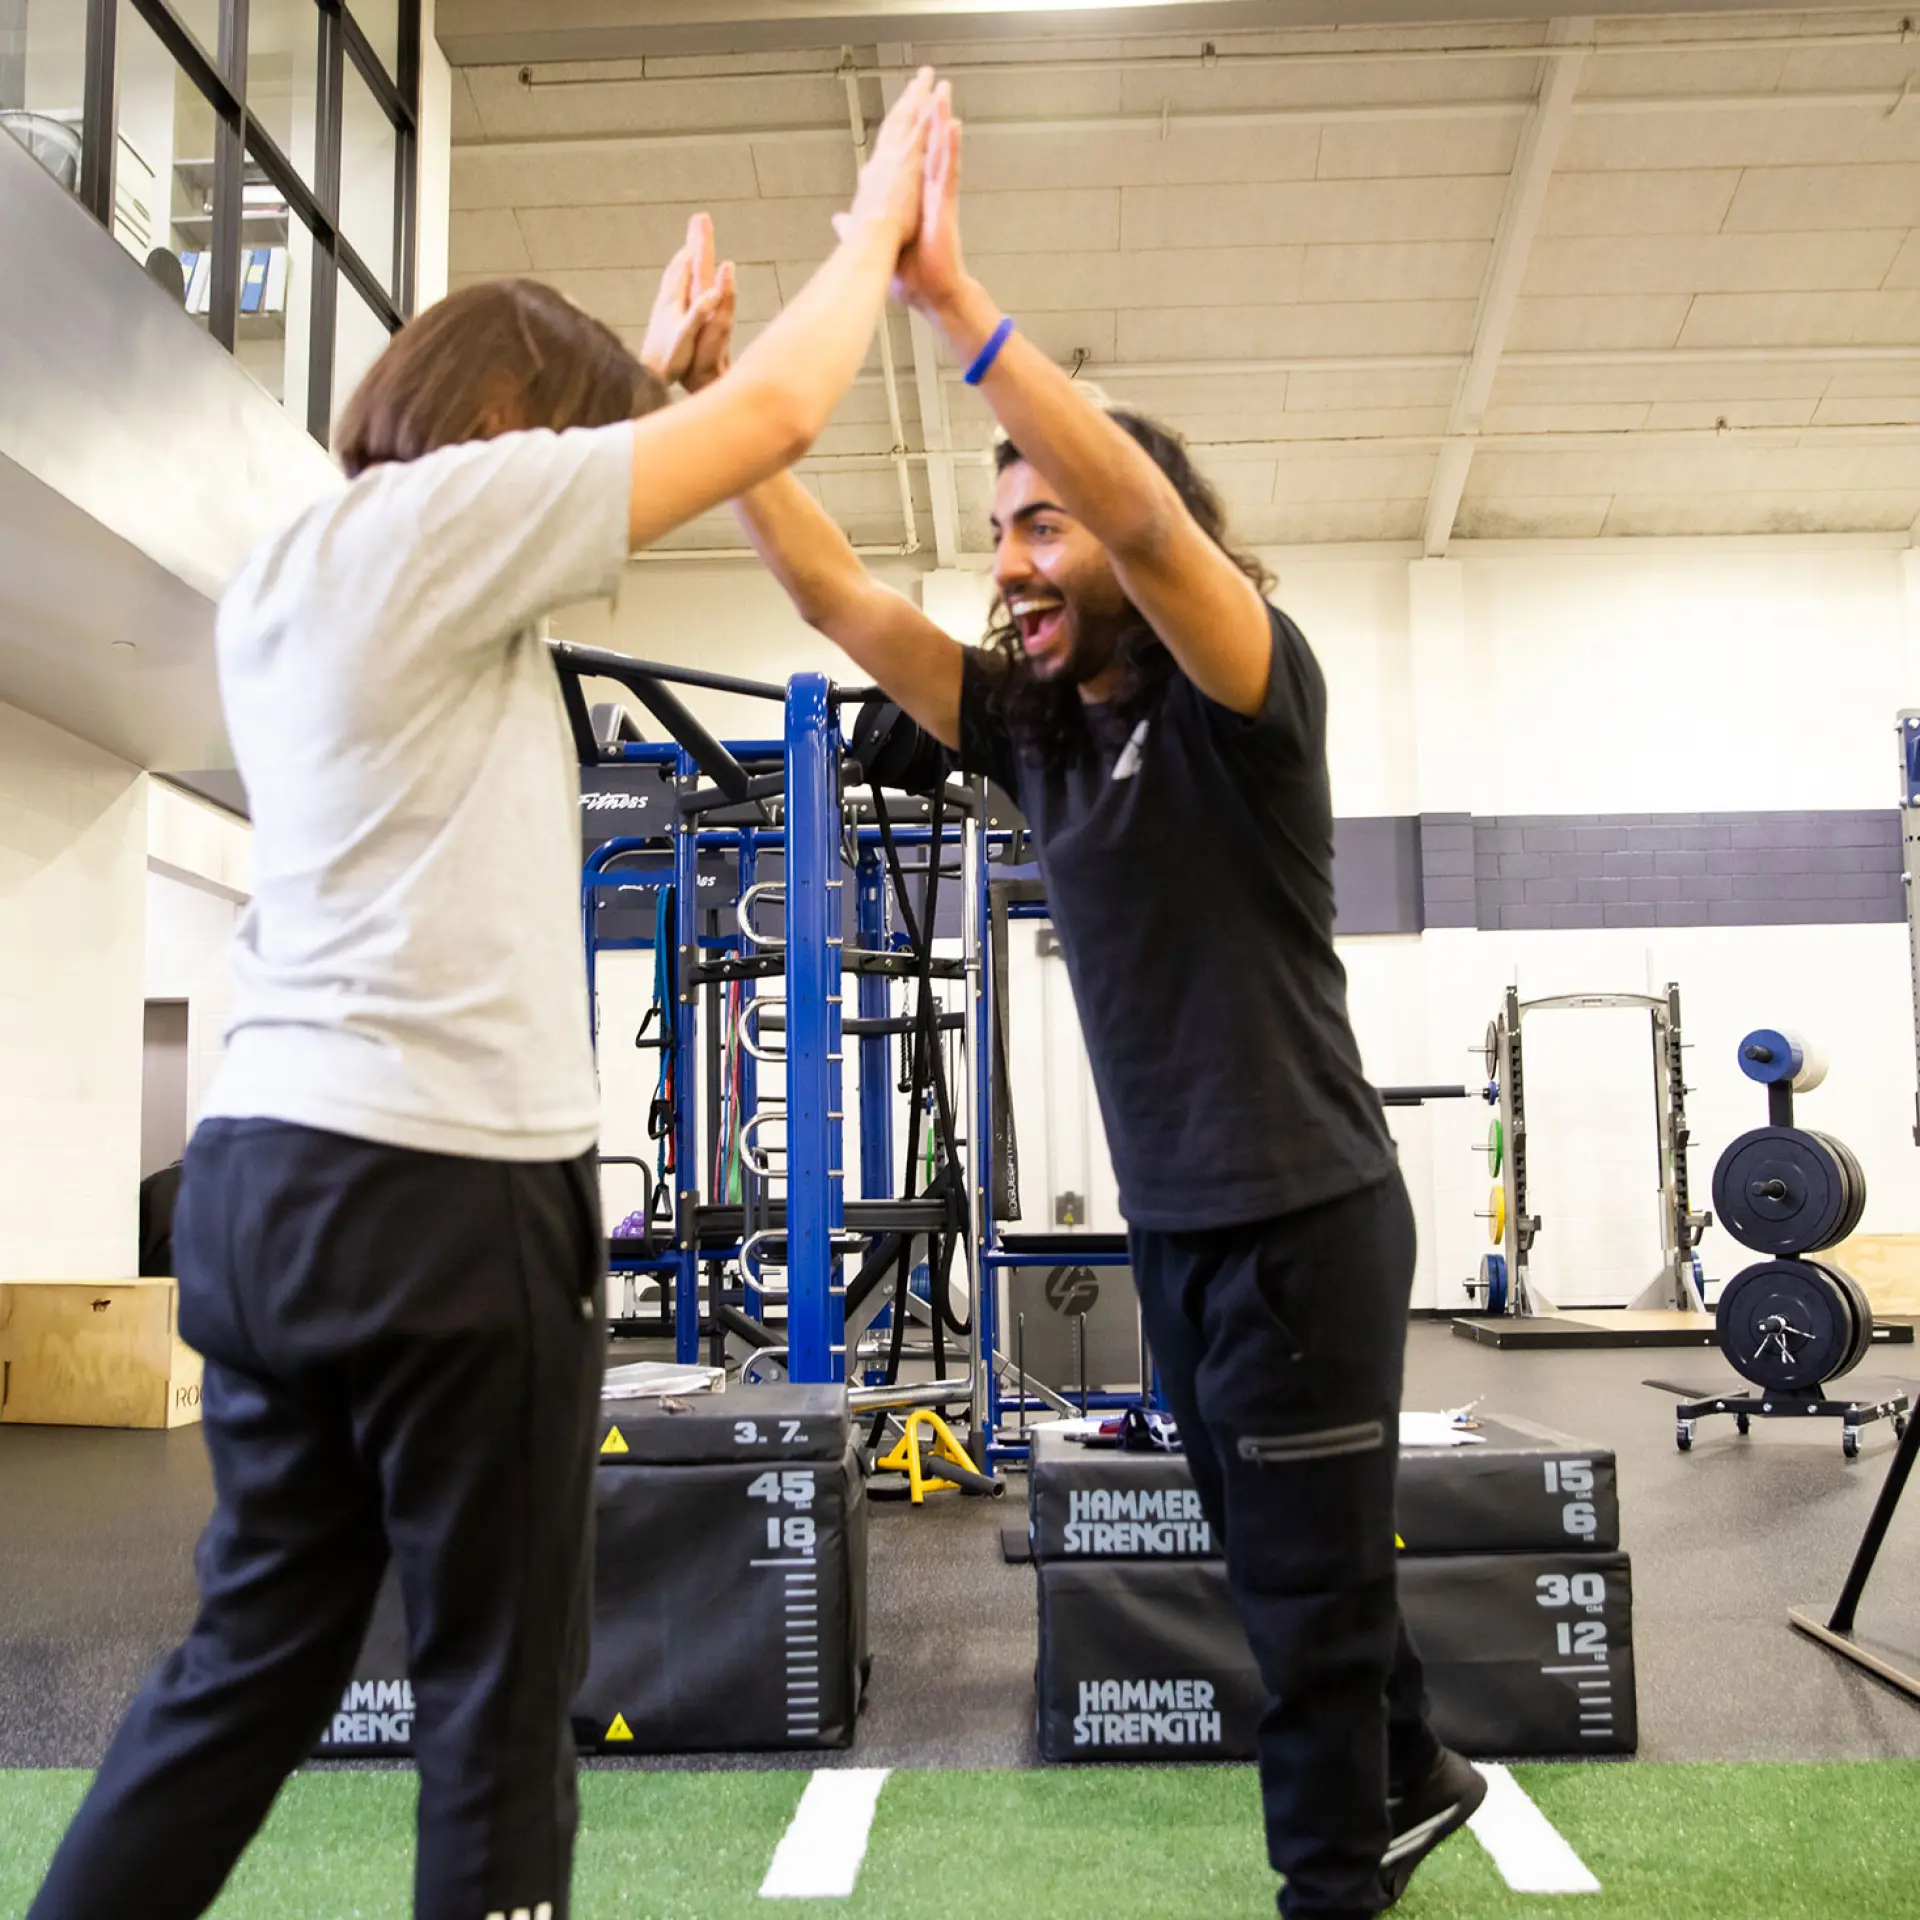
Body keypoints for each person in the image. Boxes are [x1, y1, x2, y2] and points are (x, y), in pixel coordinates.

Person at [26, 69, 951, 1920]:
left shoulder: (312, 558)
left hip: (269, 1187)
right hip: (444, 1195)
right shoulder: (445, 534)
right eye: (578, 433)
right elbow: (779, 408)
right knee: (498, 1699)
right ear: (512, 428)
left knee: (257, 1661)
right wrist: (873, 240)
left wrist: (645, 378)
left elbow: (619, 447)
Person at [686, 111, 1486, 1919]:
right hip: (1186, 1233)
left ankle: (1334, 1883)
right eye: (998, 531)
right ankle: (1419, 1764)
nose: (1018, 557)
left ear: (1149, 540)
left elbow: (1131, 500)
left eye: (1041, 520)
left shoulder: (1248, 692)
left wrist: (952, 296)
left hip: (1303, 1224)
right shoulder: (1038, 736)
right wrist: (722, 394)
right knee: (1299, 1550)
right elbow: (833, 590)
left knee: (1295, 1602)